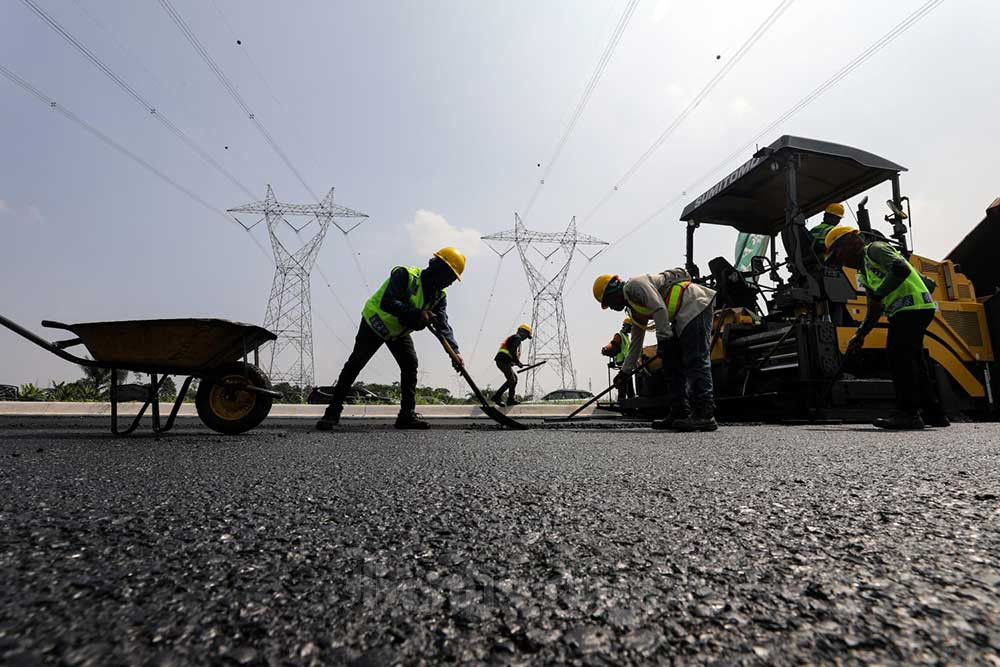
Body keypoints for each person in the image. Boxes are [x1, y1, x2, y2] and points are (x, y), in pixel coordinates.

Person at [316, 247, 466, 431]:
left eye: (452, 280)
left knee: (410, 365)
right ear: (437, 268)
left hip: (398, 332)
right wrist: (417, 313)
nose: (449, 283)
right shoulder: (406, 276)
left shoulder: (439, 296)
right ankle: (332, 413)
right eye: (449, 277)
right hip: (376, 322)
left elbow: (442, 324)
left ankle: (406, 416)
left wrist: (455, 352)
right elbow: (387, 302)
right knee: (356, 363)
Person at [825, 226, 948, 429]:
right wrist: (860, 334)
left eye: (838, 251)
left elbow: (901, 268)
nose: (840, 259)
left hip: (912, 307)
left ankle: (907, 414)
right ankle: (934, 414)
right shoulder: (864, 273)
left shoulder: (875, 249)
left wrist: (879, 293)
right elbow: (874, 308)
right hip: (910, 310)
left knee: (900, 357)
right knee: (914, 359)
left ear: (851, 241)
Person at [593, 268, 718, 431]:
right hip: (683, 315)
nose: (610, 307)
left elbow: (659, 308)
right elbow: (636, 343)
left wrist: (664, 339)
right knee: (671, 364)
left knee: (695, 360)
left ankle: (704, 414)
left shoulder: (635, 285)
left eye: (608, 302)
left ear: (612, 290)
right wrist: (624, 372)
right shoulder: (634, 307)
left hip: (695, 304)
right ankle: (679, 411)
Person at [491, 324, 532, 407]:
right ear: (521, 331)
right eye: (526, 335)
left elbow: (509, 351)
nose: (525, 338)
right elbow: (512, 351)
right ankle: (497, 396)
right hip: (503, 361)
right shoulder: (517, 338)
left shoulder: (515, 338)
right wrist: (517, 362)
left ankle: (510, 399)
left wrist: (513, 362)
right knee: (512, 380)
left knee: (514, 379)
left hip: (503, 361)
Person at [601, 317, 635, 406]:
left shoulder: (626, 337)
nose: (631, 329)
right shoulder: (619, 336)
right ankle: (623, 401)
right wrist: (607, 349)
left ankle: (629, 402)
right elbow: (613, 345)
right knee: (624, 383)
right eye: (630, 327)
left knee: (627, 383)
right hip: (623, 364)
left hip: (627, 364)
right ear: (626, 326)